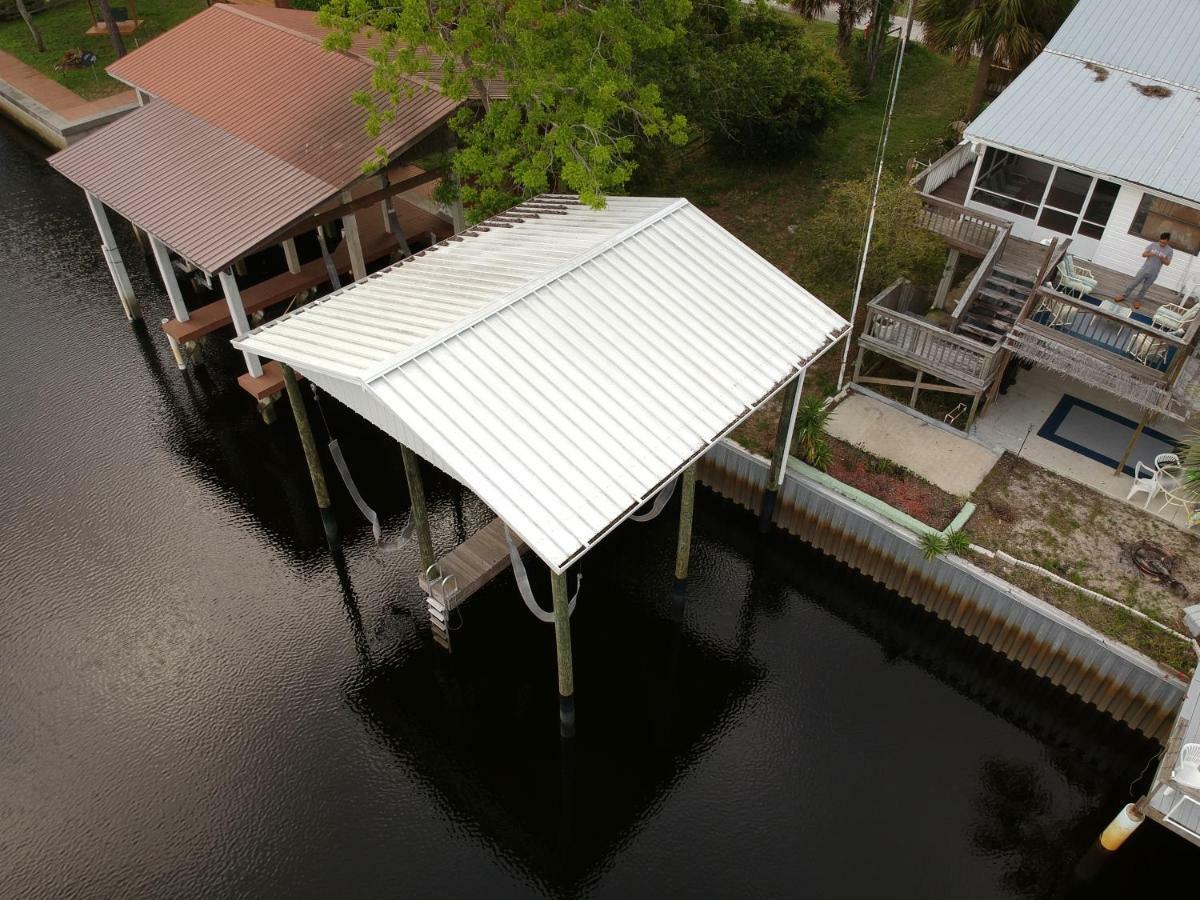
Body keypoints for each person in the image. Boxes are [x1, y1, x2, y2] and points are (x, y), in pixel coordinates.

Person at [1116, 232, 1173, 302]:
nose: (1161, 244)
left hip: (1154, 272)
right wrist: (1150, 253)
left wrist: (1162, 259)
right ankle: (1124, 295)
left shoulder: (1170, 250)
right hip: (1144, 269)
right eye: (1160, 242)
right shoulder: (1153, 245)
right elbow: (1143, 254)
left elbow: (1167, 263)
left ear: (1168, 241)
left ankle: (1137, 300)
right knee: (1134, 283)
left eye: (1164, 243)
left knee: (1145, 288)